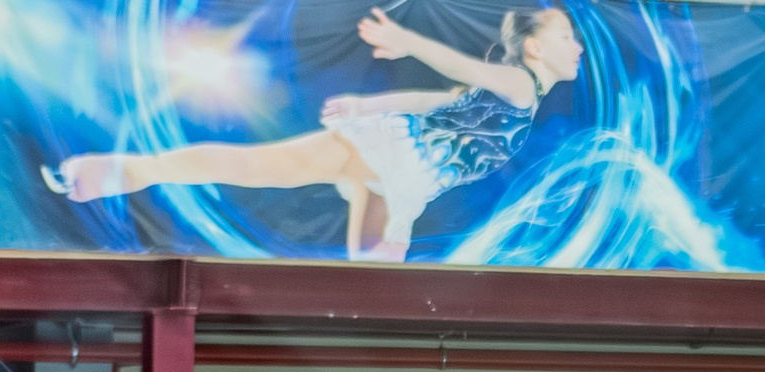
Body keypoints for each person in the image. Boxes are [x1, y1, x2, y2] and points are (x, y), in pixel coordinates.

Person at [45, 7, 581, 262]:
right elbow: (460, 69)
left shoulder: (517, 100)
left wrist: (366, 101)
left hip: (408, 183)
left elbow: (437, 100)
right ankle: (117, 172)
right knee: (253, 168)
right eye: (566, 34)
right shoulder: (516, 82)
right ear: (534, 48)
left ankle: (118, 173)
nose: (577, 45)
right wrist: (407, 42)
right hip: (391, 156)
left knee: (371, 281)